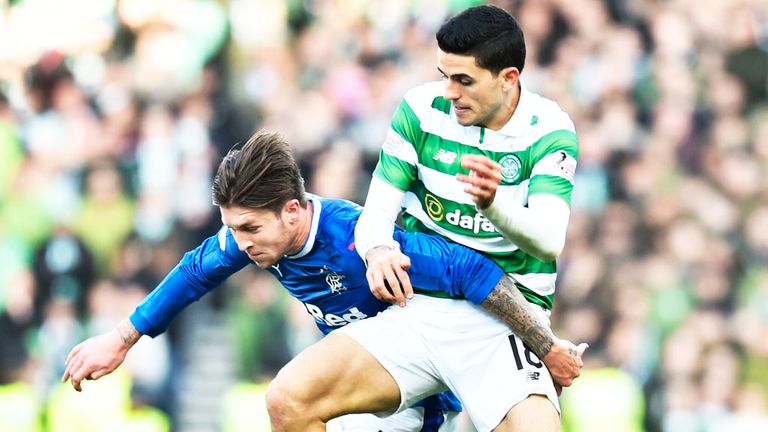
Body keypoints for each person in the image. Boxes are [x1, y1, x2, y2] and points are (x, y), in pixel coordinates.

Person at [61, 130, 584, 432]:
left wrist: (546, 344)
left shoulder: (360, 238)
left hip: (423, 391)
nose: (239, 243)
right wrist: (122, 338)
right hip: (365, 388)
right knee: (288, 403)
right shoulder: (253, 239)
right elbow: (195, 272)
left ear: (293, 211)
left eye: (249, 228)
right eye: (233, 228)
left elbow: (470, 270)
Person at [354, 4, 581, 431]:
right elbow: (376, 213)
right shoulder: (420, 109)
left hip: (509, 317)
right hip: (422, 306)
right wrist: (378, 249)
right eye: (444, 75)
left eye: (463, 80)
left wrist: (493, 205)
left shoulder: (548, 130)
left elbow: (550, 240)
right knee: (290, 398)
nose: (448, 92)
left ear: (508, 78)